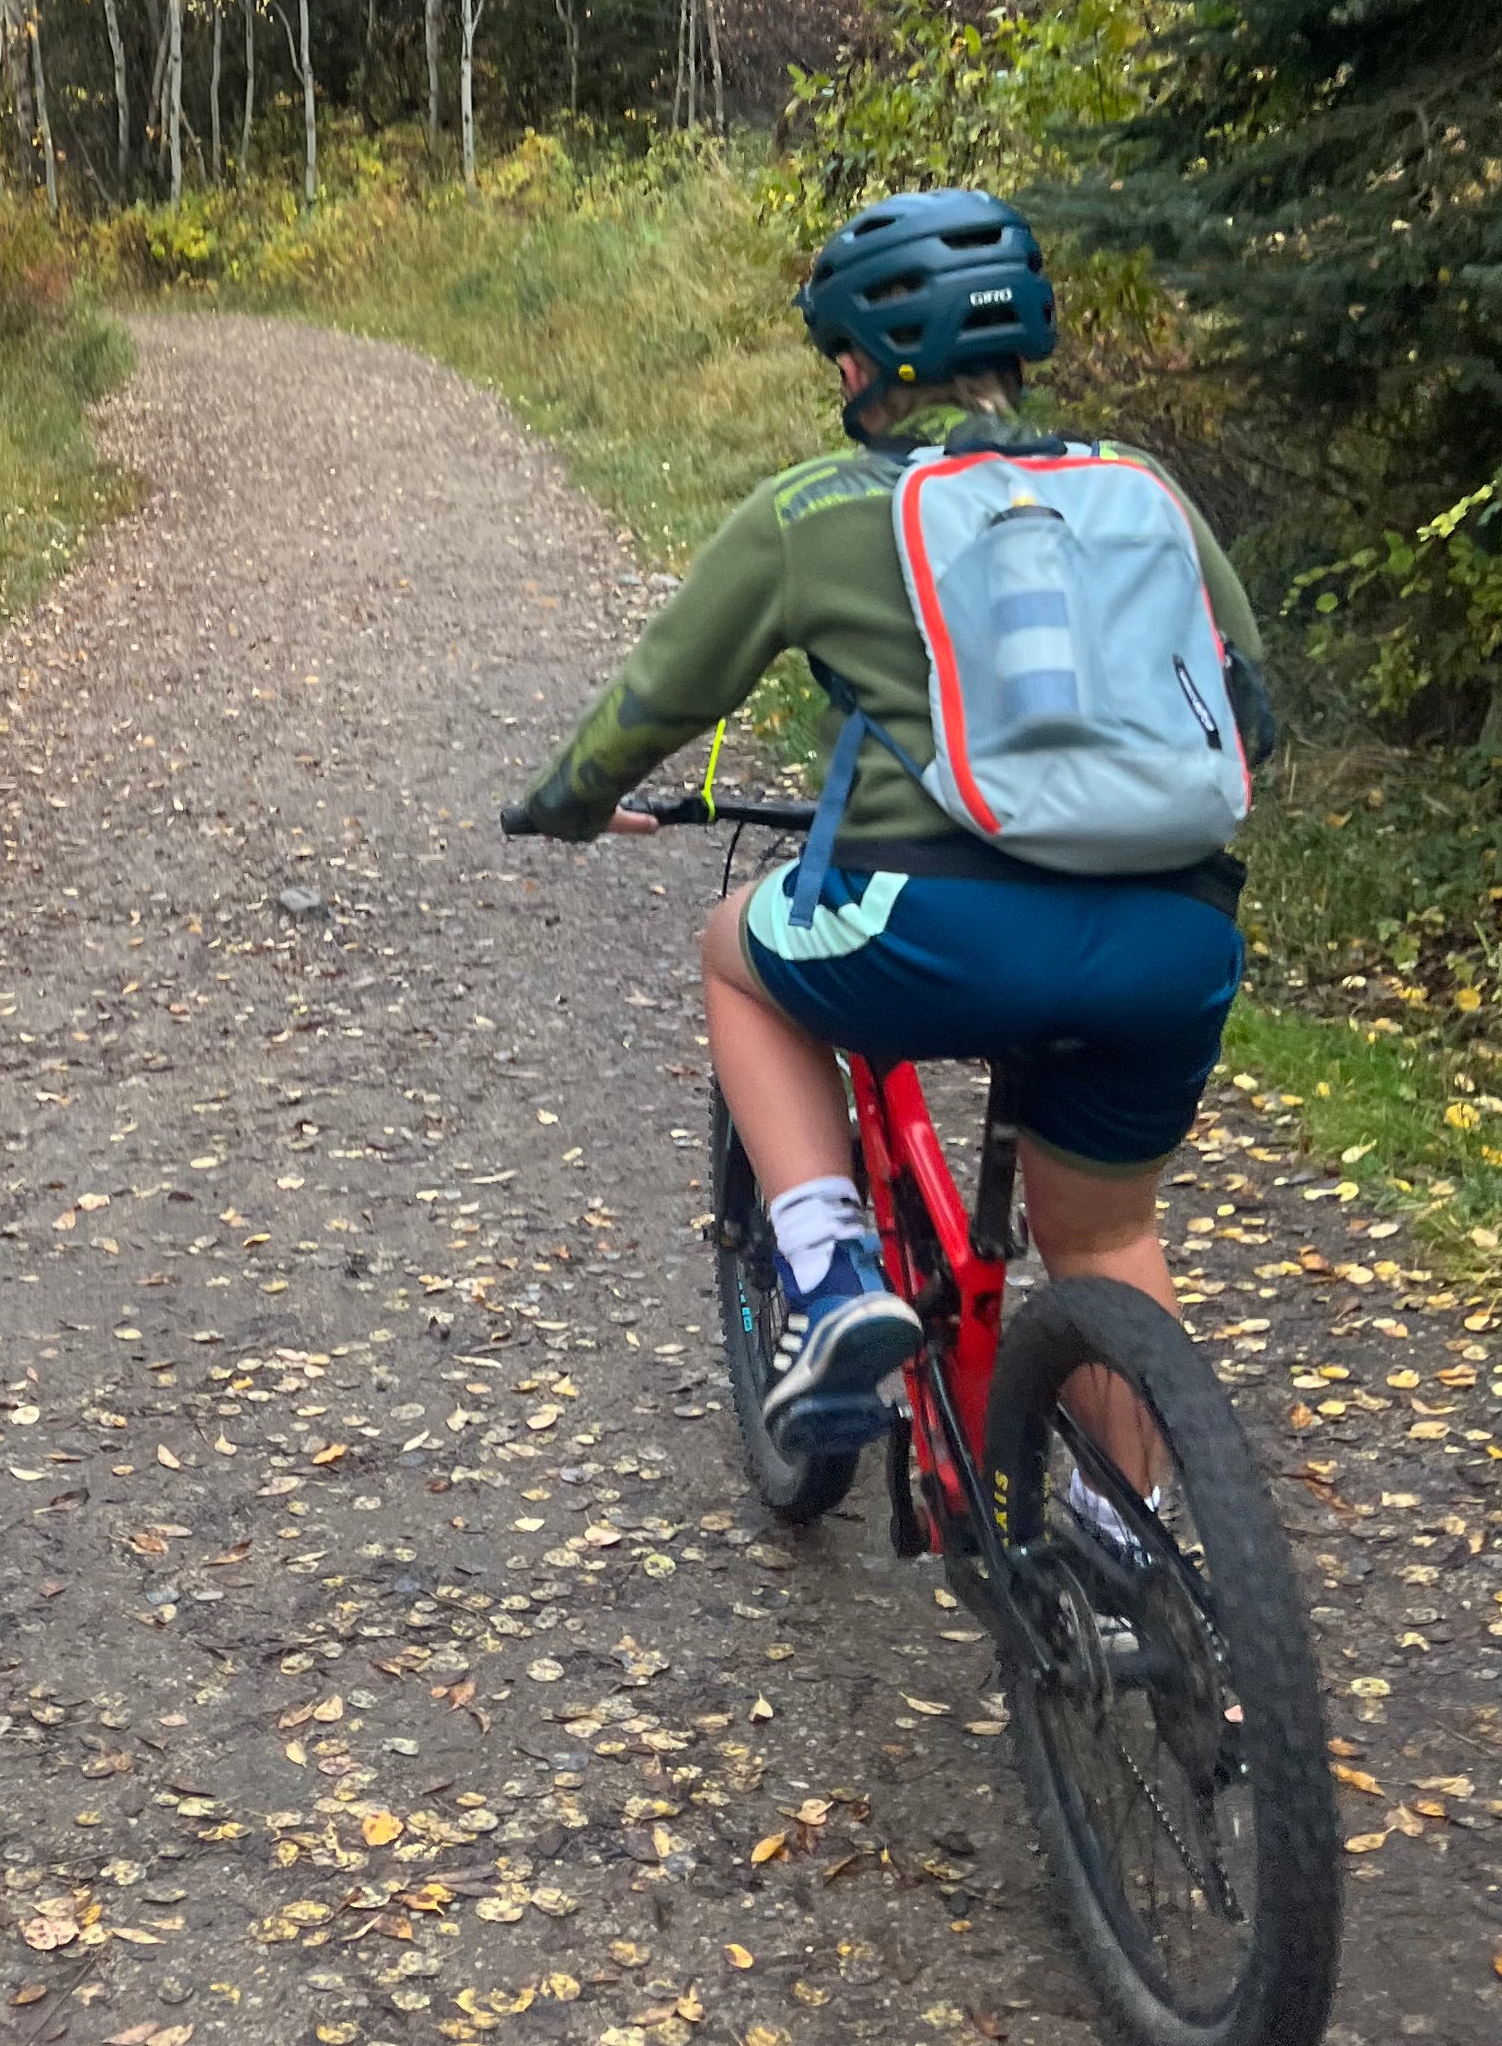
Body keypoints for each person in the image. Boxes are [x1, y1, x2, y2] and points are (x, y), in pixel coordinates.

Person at [502, 192, 1272, 1475]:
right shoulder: (1146, 493)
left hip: (938, 930)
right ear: (1019, 343)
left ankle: (832, 1269)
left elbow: (659, 698)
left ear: (860, 364)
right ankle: (1125, 1579)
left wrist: (569, 804)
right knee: (1101, 1240)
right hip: (1173, 936)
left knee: (733, 955)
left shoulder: (815, 512)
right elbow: (1248, 697)